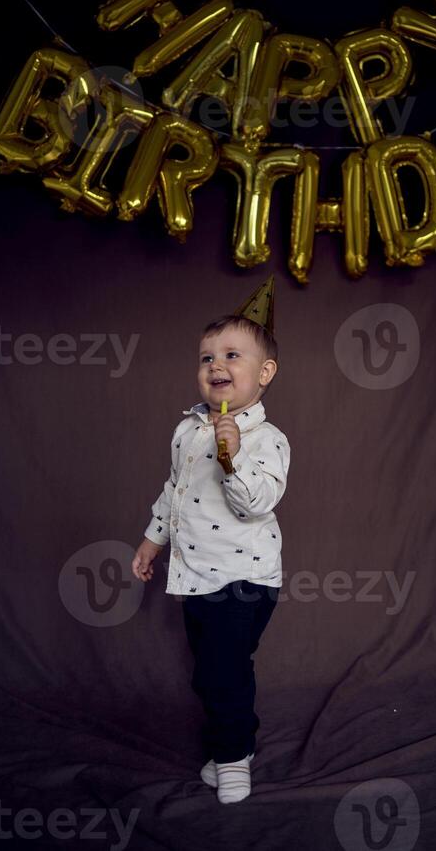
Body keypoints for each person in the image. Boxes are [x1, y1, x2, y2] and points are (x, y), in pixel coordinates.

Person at [131, 276, 290, 804]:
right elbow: (175, 490)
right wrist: (153, 540)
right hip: (193, 575)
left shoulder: (267, 440)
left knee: (223, 673)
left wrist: (233, 456)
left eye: (230, 355)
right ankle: (233, 739)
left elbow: (256, 502)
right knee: (209, 673)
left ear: (264, 374)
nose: (215, 366)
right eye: (206, 358)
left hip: (243, 578)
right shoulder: (188, 430)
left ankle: (234, 754)